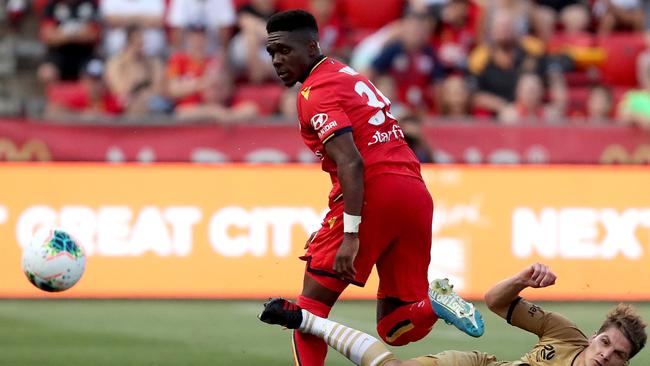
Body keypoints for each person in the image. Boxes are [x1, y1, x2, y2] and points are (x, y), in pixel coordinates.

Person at [264, 10, 484, 366]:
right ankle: (434, 303)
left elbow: (352, 161)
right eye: (271, 53)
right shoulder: (347, 74)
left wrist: (351, 234)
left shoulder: (314, 91)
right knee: (396, 326)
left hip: (371, 195)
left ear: (310, 45)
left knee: (308, 310)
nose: (277, 61)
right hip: (413, 191)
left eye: (284, 51)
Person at [260, 262, 647, 366]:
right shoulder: (566, 335)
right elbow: (496, 302)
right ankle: (304, 319)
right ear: (595, 335)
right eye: (605, 343)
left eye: (618, 356)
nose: (605, 355)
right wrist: (522, 279)